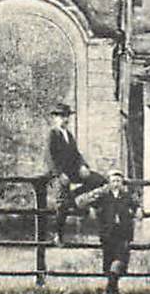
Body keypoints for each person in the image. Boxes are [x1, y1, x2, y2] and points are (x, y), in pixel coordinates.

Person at [75, 171, 143, 294]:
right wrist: (90, 209)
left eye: (119, 181)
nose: (116, 184)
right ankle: (114, 292)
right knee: (109, 263)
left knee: (121, 261)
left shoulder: (127, 196)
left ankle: (107, 293)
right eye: (113, 181)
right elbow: (81, 202)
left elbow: (136, 205)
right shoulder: (103, 195)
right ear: (109, 183)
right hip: (108, 233)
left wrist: (139, 209)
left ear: (122, 182)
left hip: (124, 233)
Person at [45, 102, 105, 244]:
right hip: (58, 174)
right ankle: (58, 234)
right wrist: (59, 174)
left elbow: (76, 154)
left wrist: (83, 166)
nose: (64, 119)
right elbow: (49, 157)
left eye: (66, 116)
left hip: (72, 171)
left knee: (99, 180)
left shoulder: (69, 135)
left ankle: (75, 198)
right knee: (62, 203)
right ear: (54, 118)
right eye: (61, 116)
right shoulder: (52, 134)